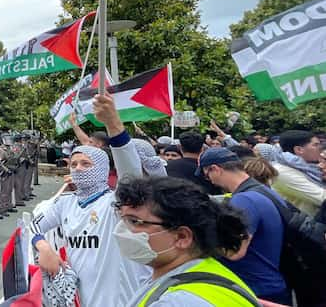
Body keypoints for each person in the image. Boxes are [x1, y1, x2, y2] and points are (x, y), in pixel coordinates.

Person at [30, 93, 161, 307]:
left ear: (102, 169)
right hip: (83, 297)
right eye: (74, 164)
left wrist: (113, 124)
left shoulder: (116, 203)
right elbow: (34, 224)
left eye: (85, 164)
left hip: (120, 298)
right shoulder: (65, 203)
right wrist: (43, 246)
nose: (78, 169)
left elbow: (130, 173)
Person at [115, 176, 260, 306]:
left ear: (182, 237)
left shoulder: (178, 301)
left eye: (134, 221)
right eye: (122, 219)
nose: (121, 230)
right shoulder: (201, 272)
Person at [195, 148, 290, 304]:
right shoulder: (262, 191)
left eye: (207, 176)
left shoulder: (243, 200)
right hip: (268, 282)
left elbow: (234, 251)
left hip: (257, 288)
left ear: (215, 169)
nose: (210, 181)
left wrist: (198, 243)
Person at [269, 130, 326, 216]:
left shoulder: (309, 167)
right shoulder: (282, 172)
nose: (320, 148)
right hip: (310, 225)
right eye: (315, 145)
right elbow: (322, 198)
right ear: (299, 149)